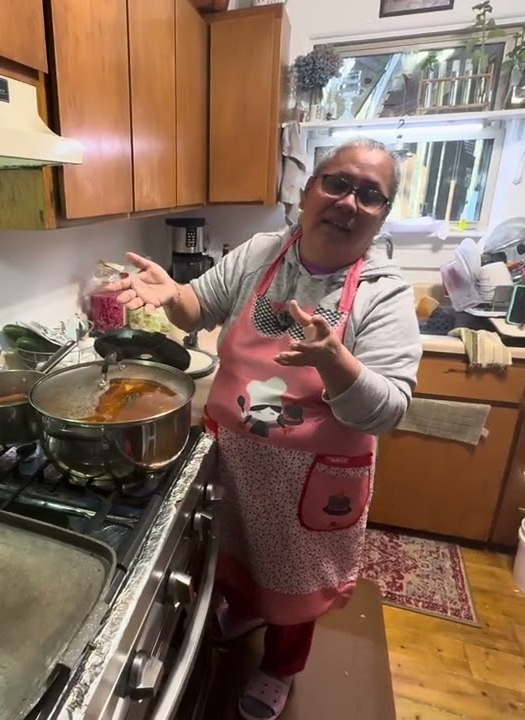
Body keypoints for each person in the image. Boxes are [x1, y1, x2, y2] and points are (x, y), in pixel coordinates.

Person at [108, 137, 422, 719]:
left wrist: (337, 363)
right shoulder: (261, 252)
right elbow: (198, 307)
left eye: (370, 194)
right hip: (232, 456)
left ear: (382, 216)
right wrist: (172, 295)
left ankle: (280, 666)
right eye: (337, 183)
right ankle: (247, 610)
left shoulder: (383, 293)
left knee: (296, 584)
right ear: (307, 192)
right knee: (228, 550)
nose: (348, 202)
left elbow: (389, 410)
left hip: (310, 480)